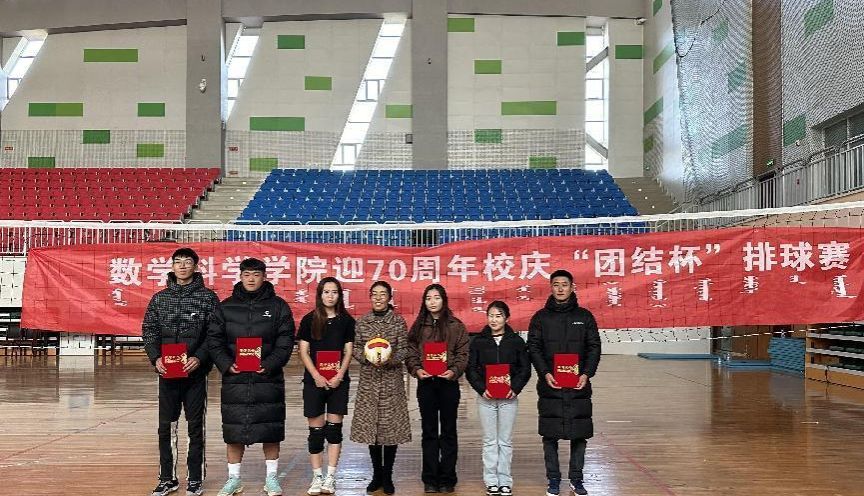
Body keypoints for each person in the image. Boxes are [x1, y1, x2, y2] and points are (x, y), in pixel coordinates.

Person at [207, 258, 295, 496]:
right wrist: (226, 364)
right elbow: (214, 340)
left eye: (256, 274)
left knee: (270, 429)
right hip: (235, 380)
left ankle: (272, 478)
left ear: (264, 277)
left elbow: (286, 340)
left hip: (267, 379)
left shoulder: (278, 306)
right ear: (240, 276)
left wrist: (270, 364)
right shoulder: (226, 307)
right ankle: (234, 479)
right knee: (233, 431)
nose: (251, 279)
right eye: (247, 274)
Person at [143, 247, 219, 496]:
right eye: (178, 262)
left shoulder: (208, 298)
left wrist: (200, 357)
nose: (183, 266)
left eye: (187, 262)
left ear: (195, 266)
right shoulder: (159, 299)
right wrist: (155, 358)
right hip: (167, 373)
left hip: (195, 373)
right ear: (172, 266)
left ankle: (195, 478)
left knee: (195, 426)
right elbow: (150, 331)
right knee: (166, 426)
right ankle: (167, 478)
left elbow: (215, 333)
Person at [527, 269, 601, 496]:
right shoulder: (540, 318)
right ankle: (553, 480)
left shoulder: (585, 317)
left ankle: (577, 480)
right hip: (550, 385)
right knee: (549, 435)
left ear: (572, 287)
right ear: (551, 288)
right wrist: (545, 373)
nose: (560, 288)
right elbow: (534, 348)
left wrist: (586, 374)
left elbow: (594, 347)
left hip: (579, 385)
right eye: (556, 284)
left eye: (564, 284)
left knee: (580, 433)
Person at [405, 284, 469, 494]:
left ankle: (448, 478)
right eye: (428, 298)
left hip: (449, 385)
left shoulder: (456, 326)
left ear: (444, 300)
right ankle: (430, 478)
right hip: (426, 385)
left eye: (436, 297)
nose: (432, 302)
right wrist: (417, 369)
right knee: (429, 432)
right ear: (424, 302)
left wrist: (454, 371)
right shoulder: (418, 327)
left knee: (449, 431)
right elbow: (411, 353)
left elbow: (463, 354)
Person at [350, 281, 412, 495]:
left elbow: (404, 349)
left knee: (391, 430)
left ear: (389, 298)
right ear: (370, 297)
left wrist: (389, 358)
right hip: (369, 382)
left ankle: (388, 475)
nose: (378, 298)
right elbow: (356, 348)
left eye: (382, 294)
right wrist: (367, 357)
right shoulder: (362, 322)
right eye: (374, 294)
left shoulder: (398, 321)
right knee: (372, 430)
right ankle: (376, 474)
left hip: (391, 381)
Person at [296, 277, 356, 495]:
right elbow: (303, 351)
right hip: (314, 383)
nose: (330, 296)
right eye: (326, 292)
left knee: (334, 430)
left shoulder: (347, 321)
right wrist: (316, 376)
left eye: (334, 292)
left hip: (338, 382)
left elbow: (348, 351)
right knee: (316, 432)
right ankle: (317, 477)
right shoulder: (309, 320)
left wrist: (339, 375)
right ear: (320, 295)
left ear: (340, 295)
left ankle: (330, 477)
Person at [466, 301, 532, 496]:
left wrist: (515, 388)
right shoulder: (478, 342)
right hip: (486, 399)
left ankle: (505, 481)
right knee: (489, 441)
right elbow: (471, 369)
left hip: (508, 399)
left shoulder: (516, 341)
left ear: (506, 318)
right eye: (491, 316)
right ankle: (491, 481)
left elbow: (525, 369)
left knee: (505, 441)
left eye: (498, 316)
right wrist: (481, 389)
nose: (494, 320)